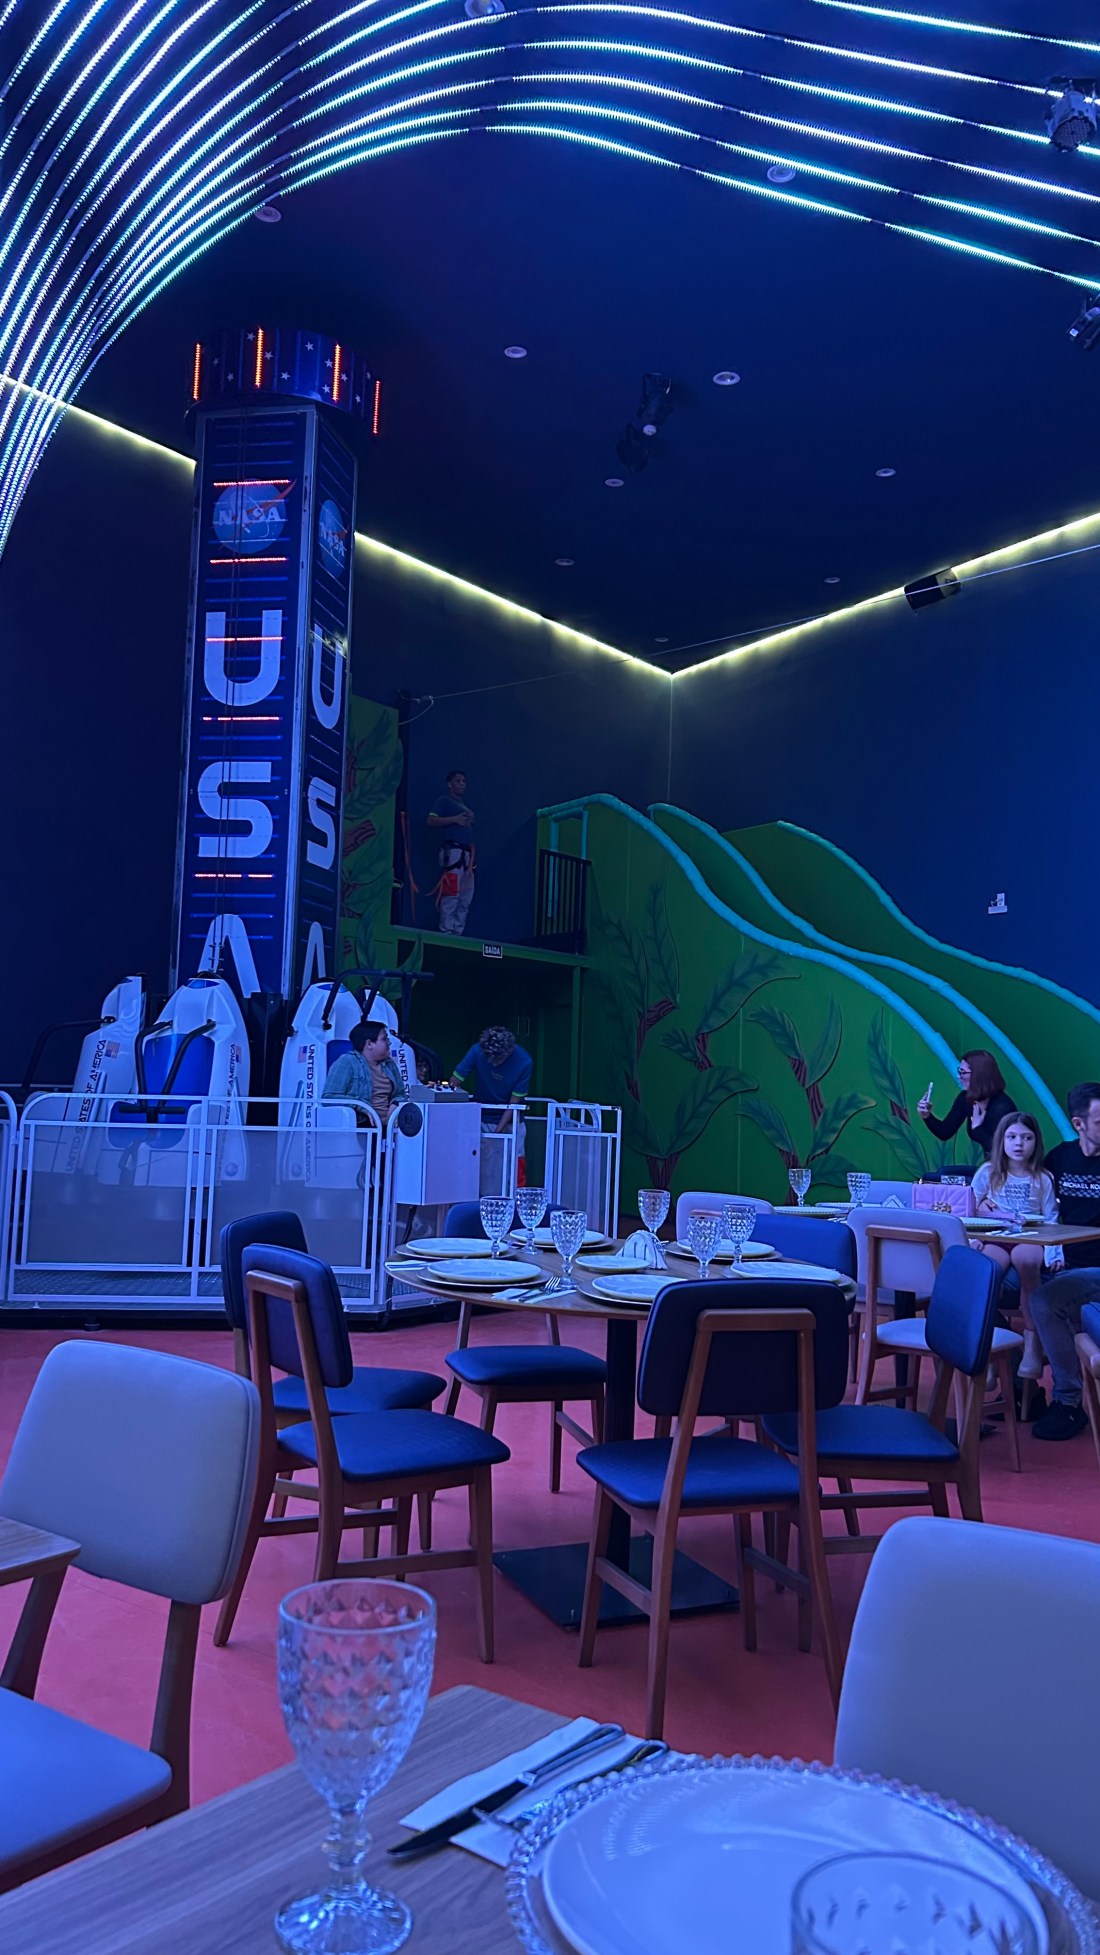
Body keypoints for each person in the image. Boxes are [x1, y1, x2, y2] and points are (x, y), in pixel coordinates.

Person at [1028, 1083, 1100, 1441]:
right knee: (990, 1284)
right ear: (1078, 1124)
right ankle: (1021, 1390)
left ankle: (1068, 1402)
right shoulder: (1060, 1159)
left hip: (1094, 1269)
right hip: (1058, 1263)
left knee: (1045, 1301)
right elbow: (1031, 1201)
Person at [971, 1112, 1057, 1380]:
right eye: (1012, 1137)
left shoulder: (1043, 1178)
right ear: (1002, 1141)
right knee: (986, 1271)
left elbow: (1052, 1218)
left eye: (1026, 1138)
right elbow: (969, 1206)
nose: (1019, 1143)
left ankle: (1032, 1344)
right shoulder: (988, 1172)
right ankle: (987, 1349)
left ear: (1036, 1142)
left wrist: (1054, 1251)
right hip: (996, 1236)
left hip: (1030, 1236)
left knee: (1027, 1262)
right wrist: (973, 1239)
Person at [917, 1050, 1015, 1161]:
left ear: (979, 1075)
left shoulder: (1002, 1107)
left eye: (963, 1072)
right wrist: (927, 1116)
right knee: (941, 1172)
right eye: (959, 1071)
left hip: (1006, 1167)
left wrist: (977, 1129)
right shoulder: (966, 1099)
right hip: (989, 1166)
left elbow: (1003, 1151)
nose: (959, 1076)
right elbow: (945, 1132)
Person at [450, 1025, 533, 1136]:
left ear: (510, 1050)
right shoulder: (476, 1050)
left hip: (511, 1121)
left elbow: (514, 1104)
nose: (492, 1062)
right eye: (487, 1056)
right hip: (480, 1116)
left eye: (498, 1058)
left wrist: (496, 1134)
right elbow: (454, 1083)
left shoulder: (524, 1062)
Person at [322, 1020, 407, 1125]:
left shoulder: (390, 1064)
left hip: (391, 1126)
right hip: (363, 1125)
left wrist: (396, 1103)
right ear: (369, 1044)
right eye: (384, 1039)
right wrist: (361, 1105)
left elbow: (400, 1094)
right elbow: (329, 1097)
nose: (389, 1042)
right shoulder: (347, 1062)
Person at [427, 768, 475, 935]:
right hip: (453, 852)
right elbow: (431, 820)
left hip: (467, 854)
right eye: (458, 781)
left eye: (463, 781)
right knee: (452, 892)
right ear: (449, 784)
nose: (462, 784)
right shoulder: (445, 801)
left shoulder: (465, 807)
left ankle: (457, 930)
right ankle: (447, 929)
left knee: (465, 895)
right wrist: (454, 819)